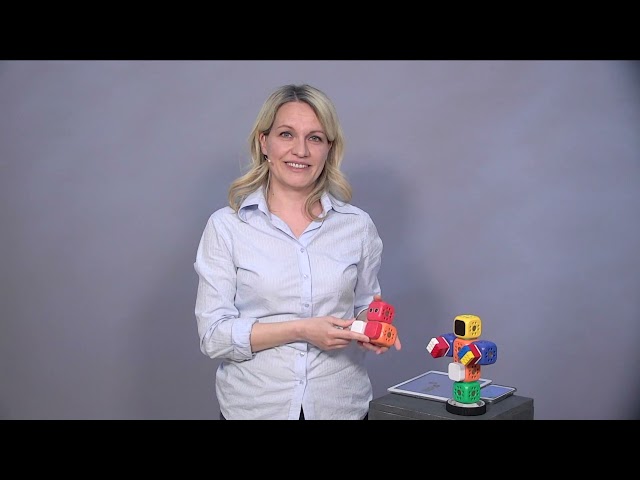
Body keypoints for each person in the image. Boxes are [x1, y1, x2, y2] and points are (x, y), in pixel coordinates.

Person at [193, 83, 401, 420]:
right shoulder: (227, 227)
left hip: (340, 407)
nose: (300, 150)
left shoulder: (357, 226)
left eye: (315, 138)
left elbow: (365, 304)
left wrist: (370, 328)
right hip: (255, 409)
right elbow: (214, 336)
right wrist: (301, 329)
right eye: (286, 134)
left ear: (329, 148)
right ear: (264, 142)